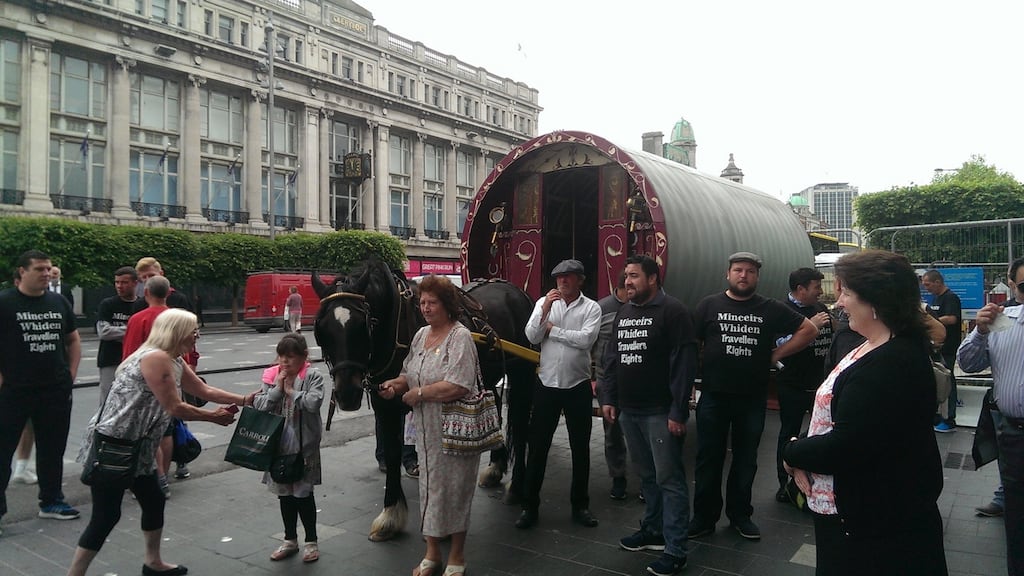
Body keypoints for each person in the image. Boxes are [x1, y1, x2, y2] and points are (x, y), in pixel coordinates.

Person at [784, 250, 947, 575]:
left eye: (846, 292)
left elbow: (851, 444)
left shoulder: (890, 363)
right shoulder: (879, 344)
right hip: (867, 512)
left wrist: (792, 451)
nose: (839, 302)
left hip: (871, 524)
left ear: (877, 300)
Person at [66, 309, 252, 576]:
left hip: (141, 445)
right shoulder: (155, 358)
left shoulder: (174, 358)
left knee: (154, 500)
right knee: (106, 516)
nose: (197, 334)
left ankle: (153, 563)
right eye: (193, 329)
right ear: (175, 331)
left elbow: (202, 389)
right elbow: (174, 406)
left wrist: (246, 399)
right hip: (116, 444)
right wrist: (213, 417)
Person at [689, 252, 817, 541]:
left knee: (746, 459)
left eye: (749, 271)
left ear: (757, 276)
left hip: (751, 398)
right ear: (728, 274)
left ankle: (740, 515)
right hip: (714, 395)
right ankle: (703, 517)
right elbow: (692, 341)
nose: (743, 275)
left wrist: (775, 355)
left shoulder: (769, 308)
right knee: (708, 458)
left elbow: (808, 330)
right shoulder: (709, 305)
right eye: (738, 270)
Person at [598, 254, 698, 576]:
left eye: (634, 276)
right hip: (629, 411)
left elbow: (684, 365)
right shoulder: (624, 311)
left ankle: (676, 549)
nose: (628, 282)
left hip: (659, 412)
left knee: (670, 479)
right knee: (647, 477)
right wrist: (609, 397)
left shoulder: (674, 312)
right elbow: (611, 359)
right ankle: (652, 531)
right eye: (626, 276)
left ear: (653, 278)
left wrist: (677, 411)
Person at [379, 275, 482, 576]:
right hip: (425, 433)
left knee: (456, 491)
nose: (425, 307)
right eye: (422, 302)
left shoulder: (459, 336)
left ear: (447, 305)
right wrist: (394, 386)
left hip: (454, 430)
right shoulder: (421, 335)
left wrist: (419, 394)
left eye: (431, 302)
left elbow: (459, 385)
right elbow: (409, 374)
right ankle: (432, 553)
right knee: (430, 489)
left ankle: (457, 555)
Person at [515, 259, 601, 530]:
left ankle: (580, 505)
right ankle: (529, 506)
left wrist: (556, 331)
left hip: (577, 385)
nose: (562, 282)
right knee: (538, 448)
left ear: (580, 280)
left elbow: (586, 340)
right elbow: (532, 336)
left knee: (580, 449)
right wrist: (545, 312)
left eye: (568, 277)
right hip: (547, 384)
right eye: (559, 278)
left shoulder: (591, 307)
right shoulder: (544, 303)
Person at [0, 250, 83, 531]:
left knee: (52, 449)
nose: (46, 273)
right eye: (39, 269)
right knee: (2, 451)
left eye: (48, 269)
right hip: (13, 391)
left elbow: (73, 340)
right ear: (22, 272)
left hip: (54, 390)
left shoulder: (58, 301)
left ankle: (51, 501)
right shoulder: (5, 302)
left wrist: (69, 375)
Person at [958, 255, 1024, 575]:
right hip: (1014, 434)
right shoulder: (1002, 322)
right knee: (1018, 517)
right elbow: (968, 364)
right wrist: (980, 330)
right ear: (1012, 287)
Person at [254, 334, 324, 564]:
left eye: (291, 357)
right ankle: (290, 540)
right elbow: (262, 405)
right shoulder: (271, 376)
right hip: (279, 447)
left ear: (304, 357)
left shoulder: (311, 376)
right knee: (284, 495)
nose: (285, 361)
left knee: (303, 495)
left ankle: (311, 541)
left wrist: (292, 392)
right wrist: (277, 388)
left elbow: (313, 403)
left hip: (304, 448)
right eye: (282, 356)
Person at [773, 268, 834, 503]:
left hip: (819, 385)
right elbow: (781, 345)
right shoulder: (783, 311)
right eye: (816, 287)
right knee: (789, 433)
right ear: (801, 289)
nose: (820, 292)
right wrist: (811, 327)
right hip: (793, 384)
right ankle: (784, 483)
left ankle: (814, 479)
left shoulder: (820, 309)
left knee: (820, 433)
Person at [592, 272, 630, 501]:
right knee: (613, 433)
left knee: (639, 433)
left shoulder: (642, 307)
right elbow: (591, 345)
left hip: (635, 380)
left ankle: (647, 480)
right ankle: (618, 477)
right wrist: (593, 377)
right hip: (608, 382)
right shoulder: (601, 309)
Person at [922, 269, 962, 432]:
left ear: (938, 282)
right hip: (936, 348)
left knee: (948, 382)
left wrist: (932, 321)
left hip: (948, 348)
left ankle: (950, 418)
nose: (926, 288)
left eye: (928, 284)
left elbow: (952, 318)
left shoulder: (951, 298)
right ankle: (939, 416)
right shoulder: (936, 298)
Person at [96, 266, 139, 405]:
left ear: (135, 283)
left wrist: (118, 331)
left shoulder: (141, 305)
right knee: (108, 400)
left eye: (124, 282)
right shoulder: (107, 304)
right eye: (117, 282)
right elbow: (104, 332)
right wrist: (132, 331)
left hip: (134, 360)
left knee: (132, 400)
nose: (120, 286)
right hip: (110, 359)